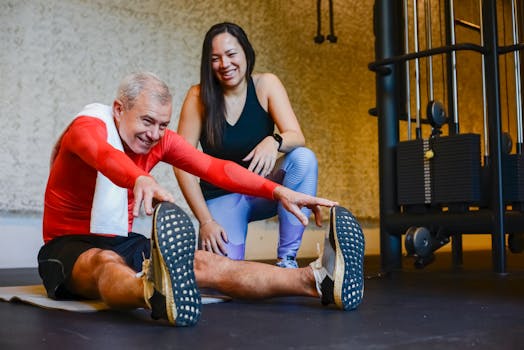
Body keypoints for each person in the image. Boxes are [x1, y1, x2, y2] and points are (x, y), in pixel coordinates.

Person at [38, 72, 365, 327]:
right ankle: (152, 290)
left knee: (207, 263)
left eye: (162, 125)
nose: (155, 134)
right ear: (119, 109)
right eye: (147, 121)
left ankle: (317, 280)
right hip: (68, 244)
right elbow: (103, 154)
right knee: (103, 262)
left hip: (122, 240)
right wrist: (139, 177)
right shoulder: (86, 127)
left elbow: (216, 169)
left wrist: (278, 191)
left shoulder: (159, 141)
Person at [174, 22, 318, 268]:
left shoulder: (266, 85)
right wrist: (206, 221)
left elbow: (296, 135)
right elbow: (182, 163)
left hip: (265, 191)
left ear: (246, 53)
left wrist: (274, 141)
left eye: (231, 54)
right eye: (215, 58)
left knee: (303, 158)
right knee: (223, 276)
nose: (225, 64)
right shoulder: (198, 97)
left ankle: (287, 260)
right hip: (222, 197)